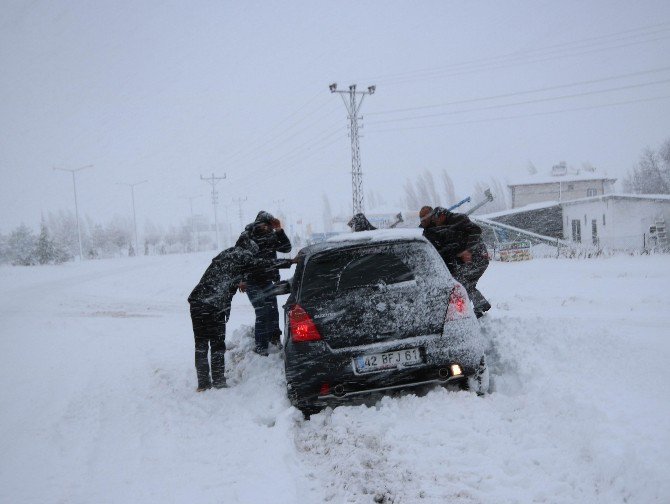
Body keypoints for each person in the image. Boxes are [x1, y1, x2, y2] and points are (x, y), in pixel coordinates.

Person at [188, 236, 293, 391]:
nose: (252, 257)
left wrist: (237, 281)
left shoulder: (227, 254)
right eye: (252, 255)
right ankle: (218, 382)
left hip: (197, 302)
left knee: (201, 344)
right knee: (217, 344)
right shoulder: (242, 255)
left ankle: (203, 384)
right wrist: (290, 262)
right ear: (248, 251)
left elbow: (225, 272)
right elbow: (263, 264)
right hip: (214, 304)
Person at [237, 211, 292, 355]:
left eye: (268, 226)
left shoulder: (271, 236)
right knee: (262, 311)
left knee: (273, 309)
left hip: (267, 279)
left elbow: (287, 248)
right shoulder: (247, 237)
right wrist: (241, 279)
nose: (266, 228)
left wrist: (279, 230)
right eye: (263, 225)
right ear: (257, 223)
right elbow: (237, 259)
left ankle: (274, 339)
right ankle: (261, 346)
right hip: (251, 280)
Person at [421, 206, 491, 318]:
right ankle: (480, 306)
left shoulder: (458, 219)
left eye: (436, 220)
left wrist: (468, 250)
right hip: (466, 261)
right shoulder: (443, 227)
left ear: (442, 216)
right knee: (463, 283)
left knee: (463, 283)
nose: (436, 223)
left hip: (478, 257)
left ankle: (481, 305)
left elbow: (476, 230)